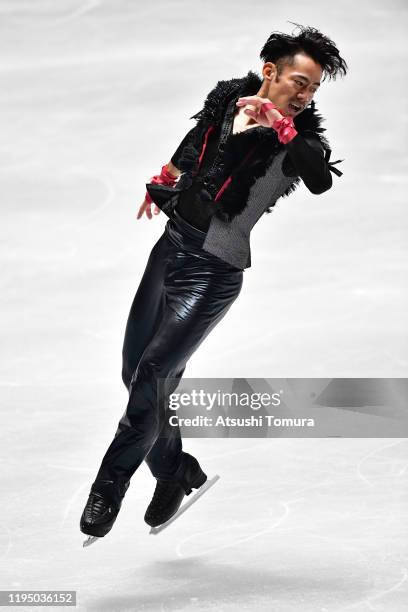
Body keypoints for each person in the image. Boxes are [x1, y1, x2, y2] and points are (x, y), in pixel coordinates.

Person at [80, 22, 348, 539]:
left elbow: (316, 178)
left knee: (154, 375)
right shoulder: (229, 99)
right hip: (170, 250)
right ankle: (177, 471)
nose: (304, 94)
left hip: (213, 273)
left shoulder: (299, 141)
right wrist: (165, 175)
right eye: (298, 81)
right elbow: (198, 138)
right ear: (269, 72)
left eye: (312, 88)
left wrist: (285, 127)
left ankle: (108, 487)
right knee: (134, 371)